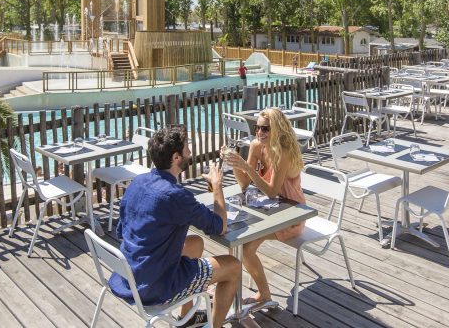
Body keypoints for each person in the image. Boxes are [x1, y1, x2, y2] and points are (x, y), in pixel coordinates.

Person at [111, 125, 240, 328]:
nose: (190, 151)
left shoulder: (138, 182)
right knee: (233, 266)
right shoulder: (175, 196)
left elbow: (121, 231)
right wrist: (217, 185)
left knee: (195, 243)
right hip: (156, 286)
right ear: (176, 157)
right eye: (187, 147)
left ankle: (186, 318)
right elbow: (220, 226)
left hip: (130, 275)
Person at [223, 108, 305, 305]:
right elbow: (244, 184)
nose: (259, 132)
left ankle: (264, 294)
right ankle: (229, 291)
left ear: (277, 129)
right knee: (236, 239)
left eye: (265, 129)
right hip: (267, 208)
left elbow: (272, 191)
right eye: (257, 128)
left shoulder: (283, 152)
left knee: (246, 248)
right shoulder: (256, 145)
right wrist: (235, 163)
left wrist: (246, 167)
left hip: (291, 214)